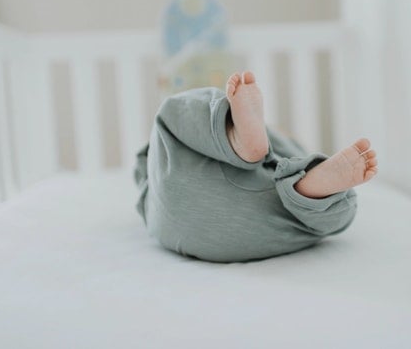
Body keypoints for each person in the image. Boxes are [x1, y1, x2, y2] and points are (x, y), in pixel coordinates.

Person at [134, 71, 378, 262]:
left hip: (179, 222)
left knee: (173, 113)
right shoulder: (294, 155)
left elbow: (143, 167)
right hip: (265, 223)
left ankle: (230, 135)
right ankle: (309, 194)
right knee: (341, 208)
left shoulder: (155, 179)